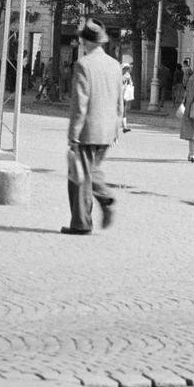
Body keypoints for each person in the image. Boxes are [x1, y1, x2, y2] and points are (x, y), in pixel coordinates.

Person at [62, 20, 123, 235]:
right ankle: (101, 202)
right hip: (107, 130)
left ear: (85, 41)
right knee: (91, 170)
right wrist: (116, 128)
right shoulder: (115, 65)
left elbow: (80, 103)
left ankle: (82, 222)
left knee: (79, 177)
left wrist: (73, 134)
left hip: (87, 130)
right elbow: (120, 101)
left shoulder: (83, 65)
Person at [120, 62, 135, 132]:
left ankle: (125, 127)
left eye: (127, 69)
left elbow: (131, 83)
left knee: (124, 111)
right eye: (125, 68)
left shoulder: (128, 75)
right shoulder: (118, 75)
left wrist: (129, 84)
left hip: (124, 95)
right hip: (117, 95)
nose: (126, 70)